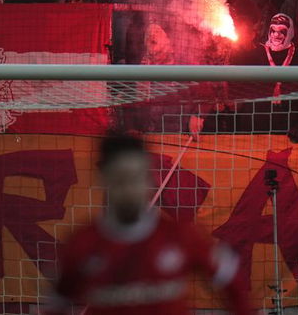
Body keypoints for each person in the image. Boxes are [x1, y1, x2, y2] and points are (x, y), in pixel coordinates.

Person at [42, 132, 252, 315]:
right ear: (103, 179)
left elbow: (232, 286)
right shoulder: (82, 244)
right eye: (120, 179)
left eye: (136, 178)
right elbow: (57, 303)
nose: (129, 188)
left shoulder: (182, 236)